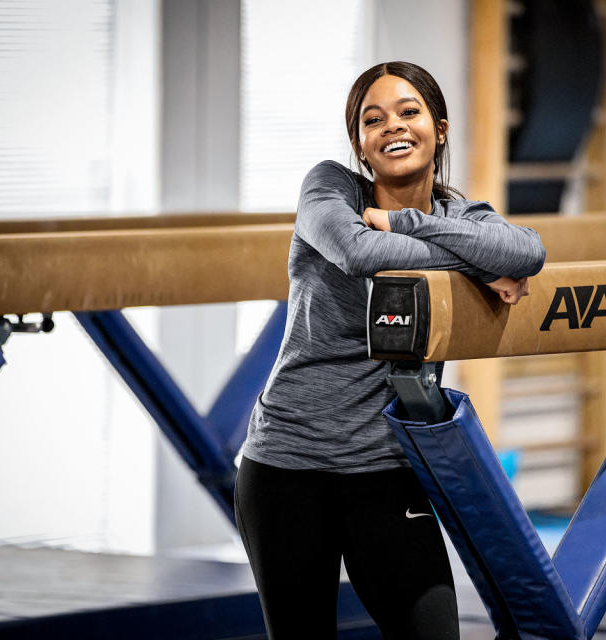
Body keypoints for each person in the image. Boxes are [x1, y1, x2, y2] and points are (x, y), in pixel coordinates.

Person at [234, 60, 546, 640]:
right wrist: (480, 266)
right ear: (359, 143)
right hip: (287, 467)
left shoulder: (463, 216)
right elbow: (361, 254)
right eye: (372, 119)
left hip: (388, 467)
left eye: (409, 112)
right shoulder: (329, 188)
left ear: (440, 127)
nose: (392, 127)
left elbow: (527, 253)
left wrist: (402, 221)